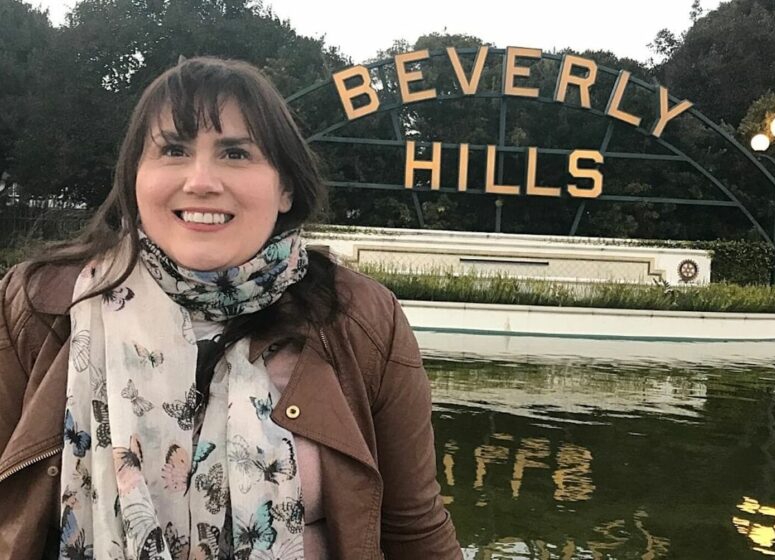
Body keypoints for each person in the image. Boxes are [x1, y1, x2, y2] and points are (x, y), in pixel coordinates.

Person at [0, 57, 461, 559]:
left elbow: (415, 531)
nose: (201, 181)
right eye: (173, 150)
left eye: (236, 153)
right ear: (134, 177)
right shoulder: (38, 305)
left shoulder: (363, 321)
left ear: (286, 187)